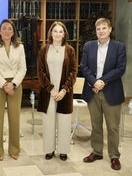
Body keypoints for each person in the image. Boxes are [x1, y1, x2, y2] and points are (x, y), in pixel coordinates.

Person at [80, 18, 126, 170]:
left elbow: (120, 69)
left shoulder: (119, 47)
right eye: (98, 28)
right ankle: (97, 152)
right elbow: (84, 66)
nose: (101, 31)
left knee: (113, 127)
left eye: (104, 28)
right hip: (93, 92)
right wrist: (94, 82)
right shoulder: (89, 46)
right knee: (95, 124)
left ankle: (114, 156)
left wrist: (102, 81)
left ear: (110, 29)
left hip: (111, 92)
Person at [37, 21, 77, 161]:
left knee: (64, 122)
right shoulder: (44, 50)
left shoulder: (70, 50)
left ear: (64, 33)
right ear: (50, 33)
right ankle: (49, 150)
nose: (58, 34)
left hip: (64, 93)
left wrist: (64, 90)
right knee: (48, 122)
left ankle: (63, 150)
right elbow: (40, 72)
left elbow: (73, 72)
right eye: (55, 31)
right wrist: (51, 89)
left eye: (61, 31)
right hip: (48, 93)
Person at [0, 19, 27, 161]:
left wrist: (13, 84)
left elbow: (23, 68)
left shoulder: (20, 47)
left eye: (9, 28)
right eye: (4, 28)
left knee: (14, 118)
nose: (7, 31)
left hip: (15, 85)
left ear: (13, 32)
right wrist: (4, 84)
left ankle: (14, 149)